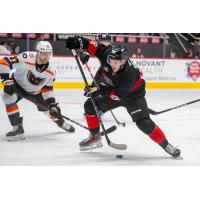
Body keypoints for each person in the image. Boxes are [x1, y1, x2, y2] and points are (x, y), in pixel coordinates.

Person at [65, 36, 181, 158]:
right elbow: (92, 44)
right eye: (111, 61)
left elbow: (117, 96)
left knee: (144, 123)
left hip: (133, 96)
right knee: (89, 105)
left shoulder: (129, 74)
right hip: (113, 90)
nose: (113, 65)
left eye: (116, 62)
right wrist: (78, 42)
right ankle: (95, 136)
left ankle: (167, 145)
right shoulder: (107, 55)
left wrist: (97, 93)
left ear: (123, 61)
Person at [0, 41, 75, 141]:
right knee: (7, 97)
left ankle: (61, 123)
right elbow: (4, 62)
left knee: (49, 111)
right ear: (37, 52)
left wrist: (51, 104)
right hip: (17, 86)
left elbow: (47, 90)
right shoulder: (26, 57)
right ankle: (17, 128)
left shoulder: (51, 71)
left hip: (35, 92)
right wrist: (6, 80)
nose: (46, 57)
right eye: (43, 54)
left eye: (48, 54)